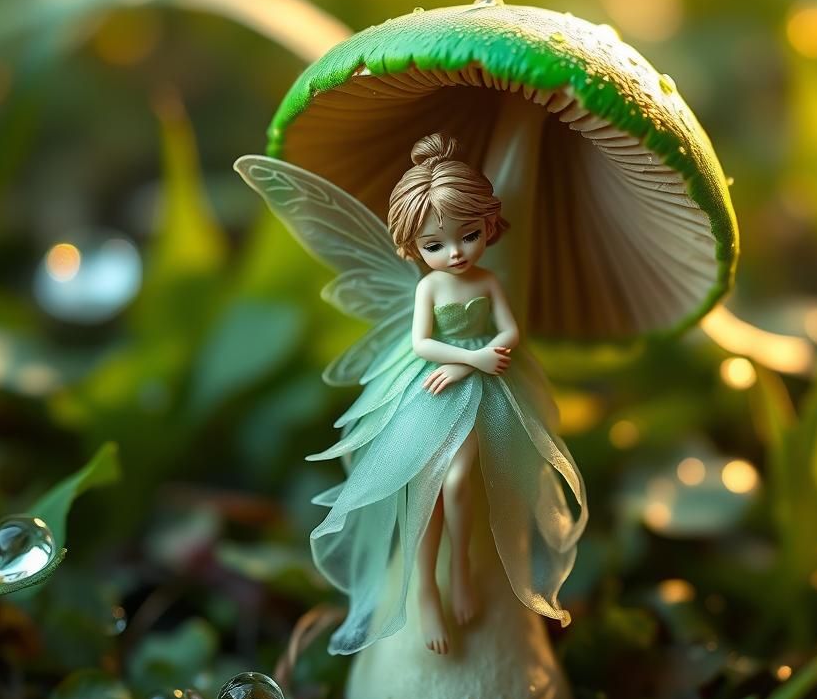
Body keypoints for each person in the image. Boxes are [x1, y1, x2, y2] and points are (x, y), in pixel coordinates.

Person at [237, 133, 587, 656]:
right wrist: (471, 360)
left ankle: (462, 572)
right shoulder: (429, 288)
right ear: (412, 247)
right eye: (435, 245)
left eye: (468, 235)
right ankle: (427, 590)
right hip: (430, 386)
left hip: (488, 385)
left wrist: (485, 356)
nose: (454, 252)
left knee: (464, 480)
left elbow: (509, 330)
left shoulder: (488, 281)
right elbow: (422, 342)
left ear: (488, 224)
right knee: (425, 488)